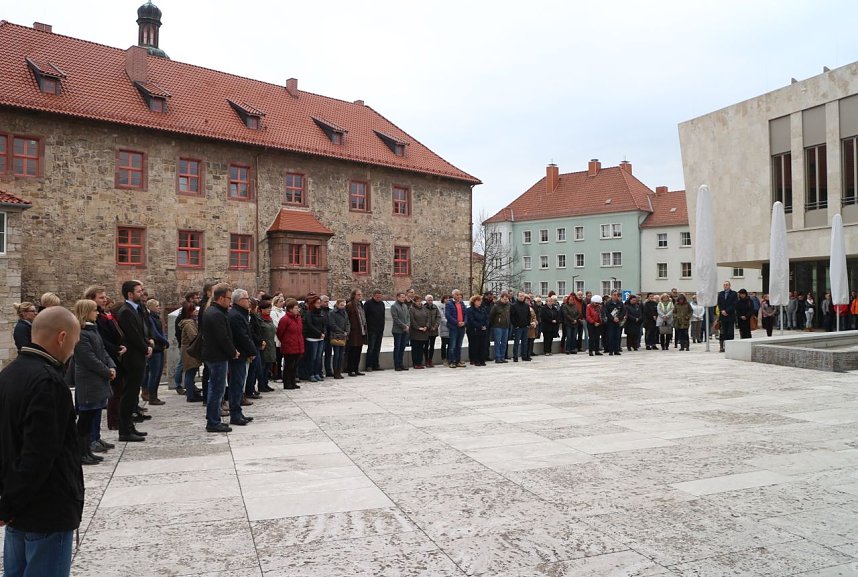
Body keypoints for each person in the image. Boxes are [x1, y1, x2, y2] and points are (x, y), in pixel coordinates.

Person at [0, 306, 83, 577]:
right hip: (46, 509)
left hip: (18, 508)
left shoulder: (10, 374)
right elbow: (39, 454)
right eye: (74, 341)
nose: (73, 349)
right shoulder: (48, 382)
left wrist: (8, 502)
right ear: (62, 337)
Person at [71, 299, 115, 466]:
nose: (97, 313)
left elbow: (102, 352)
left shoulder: (93, 330)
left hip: (98, 378)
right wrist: (106, 370)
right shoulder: (81, 334)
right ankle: (81, 452)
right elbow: (89, 359)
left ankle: (87, 450)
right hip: (89, 381)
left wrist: (111, 365)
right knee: (85, 419)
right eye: (94, 310)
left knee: (93, 415)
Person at [113, 280, 151, 442]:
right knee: (129, 393)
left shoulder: (136, 309)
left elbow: (143, 330)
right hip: (133, 358)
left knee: (133, 393)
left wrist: (149, 341)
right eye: (138, 291)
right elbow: (133, 335)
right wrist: (145, 347)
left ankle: (129, 427)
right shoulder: (126, 311)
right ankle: (125, 430)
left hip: (138, 356)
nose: (141, 293)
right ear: (130, 294)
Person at [200, 283, 237, 433]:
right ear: (221, 298)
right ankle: (213, 422)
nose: (230, 302)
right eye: (229, 298)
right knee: (217, 389)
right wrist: (233, 351)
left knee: (216, 388)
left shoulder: (214, 311)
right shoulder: (215, 314)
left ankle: (213, 418)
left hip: (215, 355)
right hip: (217, 356)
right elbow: (223, 337)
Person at [143, 299, 169, 406]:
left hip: (160, 347)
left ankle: (155, 396)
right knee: (154, 374)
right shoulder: (150, 318)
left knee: (157, 374)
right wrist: (165, 341)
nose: (159, 308)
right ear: (150, 307)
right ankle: (152, 396)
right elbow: (155, 333)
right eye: (157, 306)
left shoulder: (156, 317)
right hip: (155, 348)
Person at [177, 302, 204, 402]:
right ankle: (191, 395)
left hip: (189, 349)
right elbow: (193, 337)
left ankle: (192, 393)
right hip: (190, 350)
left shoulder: (190, 322)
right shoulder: (188, 323)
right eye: (194, 310)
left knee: (191, 372)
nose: (196, 311)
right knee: (190, 372)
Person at [276, 299, 304, 390]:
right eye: (296, 308)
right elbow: (280, 332)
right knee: (289, 365)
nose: (298, 310)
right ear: (290, 309)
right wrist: (286, 341)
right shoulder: (285, 319)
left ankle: (293, 381)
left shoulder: (298, 318)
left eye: (298, 308)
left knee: (295, 365)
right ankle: (287, 383)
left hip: (298, 344)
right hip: (289, 345)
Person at [303, 295, 327, 381]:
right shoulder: (309, 313)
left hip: (321, 337)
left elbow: (324, 323)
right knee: (312, 357)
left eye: (319, 303)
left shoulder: (321, 312)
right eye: (317, 303)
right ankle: (311, 374)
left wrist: (323, 332)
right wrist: (319, 333)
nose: (319, 305)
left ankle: (317, 373)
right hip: (312, 338)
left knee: (318, 357)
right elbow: (310, 325)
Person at [345, 289, 367, 376]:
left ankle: (356, 369)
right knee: (352, 352)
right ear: (354, 295)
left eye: (361, 294)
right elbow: (347, 319)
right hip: (353, 332)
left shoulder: (360, 305)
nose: (360, 296)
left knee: (358, 351)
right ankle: (350, 370)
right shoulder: (350, 305)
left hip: (361, 330)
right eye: (358, 294)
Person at [363, 290, 386, 372]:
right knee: (371, 348)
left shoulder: (382, 304)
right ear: (373, 296)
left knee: (377, 348)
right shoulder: (368, 304)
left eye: (380, 297)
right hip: (371, 329)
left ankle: (376, 364)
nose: (378, 298)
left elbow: (383, 316)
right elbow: (364, 316)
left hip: (380, 329)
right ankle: (368, 365)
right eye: (377, 297)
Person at [327, 298, 350, 378]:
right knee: (336, 354)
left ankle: (339, 371)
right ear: (337, 305)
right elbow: (332, 324)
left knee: (341, 355)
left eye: (344, 305)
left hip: (343, 336)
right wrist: (341, 331)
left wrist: (347, 331)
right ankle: (335, 372)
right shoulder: (332, 313)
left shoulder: (345, 312)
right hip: (336, 335)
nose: (343, 307)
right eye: (341, 305)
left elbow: (347, 322)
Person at [257, 300, 277, 391]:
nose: (269, 310)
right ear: (261, 310)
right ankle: (261, 384)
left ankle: (266, 383)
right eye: (267, 308)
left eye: (270, 308)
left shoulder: (270, 319)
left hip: (271, 344)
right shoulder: (259, 319)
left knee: (268, 365)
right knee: (263, 366)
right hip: (264, 346)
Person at [445, 290, 467, 368]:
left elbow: (465, 314)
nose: (458, 296)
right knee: (452, 345)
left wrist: (464, 322)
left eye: (459, 295)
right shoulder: (449, 303)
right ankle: (451, 361)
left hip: (462, 327)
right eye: (457, 295)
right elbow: (448, 315)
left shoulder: (462, 303)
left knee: (459, 345)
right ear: (453, 295)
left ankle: (458, 360)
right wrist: (457, 322)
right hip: (453, 327)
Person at [408, 295, 431, 369]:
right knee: (415, 348)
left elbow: (428, 318)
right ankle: (416, 363)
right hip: (415, 332)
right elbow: (412, 320)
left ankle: (420, 362)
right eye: (417, 301)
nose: (419, 303)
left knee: (421, 348)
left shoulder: (424, 309)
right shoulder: (411, 309)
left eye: (420, 301)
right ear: (414, 302)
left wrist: (426, 326)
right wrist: (418, 328)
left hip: (424, 332)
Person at [488, 292, 511, 363]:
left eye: (507, 299)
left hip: (506, 326)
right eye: (504, 299)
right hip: (498, 326)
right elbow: (491, 316)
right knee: (497, 342)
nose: (506, 300)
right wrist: (493, 324)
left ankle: (502, 357)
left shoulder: (508, 305)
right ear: (501, 298)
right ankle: (497, 357)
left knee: (504, 342)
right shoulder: (496, 306)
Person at [466, 295, 488, 366]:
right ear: (474, 302)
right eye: (478, 301)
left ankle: (482, 359)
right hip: (474, 330)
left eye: (480, 301)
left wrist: (485, 325)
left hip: (483, 330)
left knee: (483, 345)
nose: (479, 302)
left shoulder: (483, 309)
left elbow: (486, 318)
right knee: (475, 345)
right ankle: (476, 360)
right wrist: (480, 326)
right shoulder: (470, 310)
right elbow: (471, 320)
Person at [391, 292, 410, 371]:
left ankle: (401, 363)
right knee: (397, 347)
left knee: (402, 347)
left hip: (405, 330)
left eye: (404, 297)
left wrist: (408, 325)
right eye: (401, 297)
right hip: (397, 330)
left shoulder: (405, 306)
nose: (403, 298)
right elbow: (395, 319)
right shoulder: (394, 306)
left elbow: (408, 317)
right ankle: (397, 364)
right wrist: (404, 326)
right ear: (397, 297)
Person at [717, 281, 738, 352]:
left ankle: (730, 346)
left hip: (730, 315)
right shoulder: (721, 294)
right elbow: (719, 303)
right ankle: (722, 346)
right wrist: (722, 310)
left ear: (729, 285)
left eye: (727, 285)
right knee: (723, 332)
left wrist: (727, 311)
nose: (725, 286)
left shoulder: (734, 293)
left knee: (730, 332)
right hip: (722, 316)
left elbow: (734, 304)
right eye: (724, 285)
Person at [603, 291, 626, 356]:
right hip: (610, 322)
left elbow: (623, 311)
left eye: (617, 295)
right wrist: (613, 318)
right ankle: (611, 350)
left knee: (617, 336)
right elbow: (607, 312)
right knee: (610, 336)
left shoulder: (620, 303)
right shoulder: (608, 303)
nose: (616, 296)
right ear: (611, 295)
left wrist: (619, 318)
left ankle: (616, 350)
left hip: (618, 322)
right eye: (614, 295)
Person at [270, 295, 286, 382]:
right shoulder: (273, 312)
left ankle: (280, 374)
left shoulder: (283, 312)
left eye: (283, 301)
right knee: (277, 358)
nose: (282, 303)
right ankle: (276, 375)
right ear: (276, 303)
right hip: (276, 338)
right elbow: (276, 324)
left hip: (283, 337)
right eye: (280, 301)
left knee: (282, 358)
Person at [423, 295, 440, 367]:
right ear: (426, 300)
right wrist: (428, 326)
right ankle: (426, 359)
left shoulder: (435, 307)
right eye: (429, 300)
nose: (430, 301)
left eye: (431, 300)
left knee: (432, 346)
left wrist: (435, 326)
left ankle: (430, 360)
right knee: (426, 346)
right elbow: (423, 318)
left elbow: (438, 317)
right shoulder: (423, 307)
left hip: (434, 330)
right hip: (427, 330)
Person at [438, 295, 450, 364]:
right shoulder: (441, 307)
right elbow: (442, 317)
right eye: (446, 299)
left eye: (448, 299)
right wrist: (448, 322)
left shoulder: (450, 306)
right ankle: (444, 358)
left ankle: (449, 357)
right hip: (444, 328)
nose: (447, 300)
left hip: (450, 328)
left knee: (450, 344)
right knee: (444, 344)